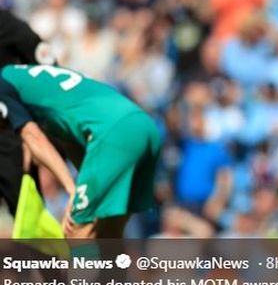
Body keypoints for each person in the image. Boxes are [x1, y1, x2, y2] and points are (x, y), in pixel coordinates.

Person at [0, 63, 161, 239]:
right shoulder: (29, 78)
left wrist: (72, 190)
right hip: (144, 127)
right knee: (108, 235)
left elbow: (34, 136)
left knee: (77, 232)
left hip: (112, 134)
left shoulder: (3, 86)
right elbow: (71, 142)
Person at [0, 0, 57, 220]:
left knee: (31, 222)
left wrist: (35, 136)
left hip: (10, 139)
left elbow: (51, 76)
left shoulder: (11, 29)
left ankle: (44, 261)